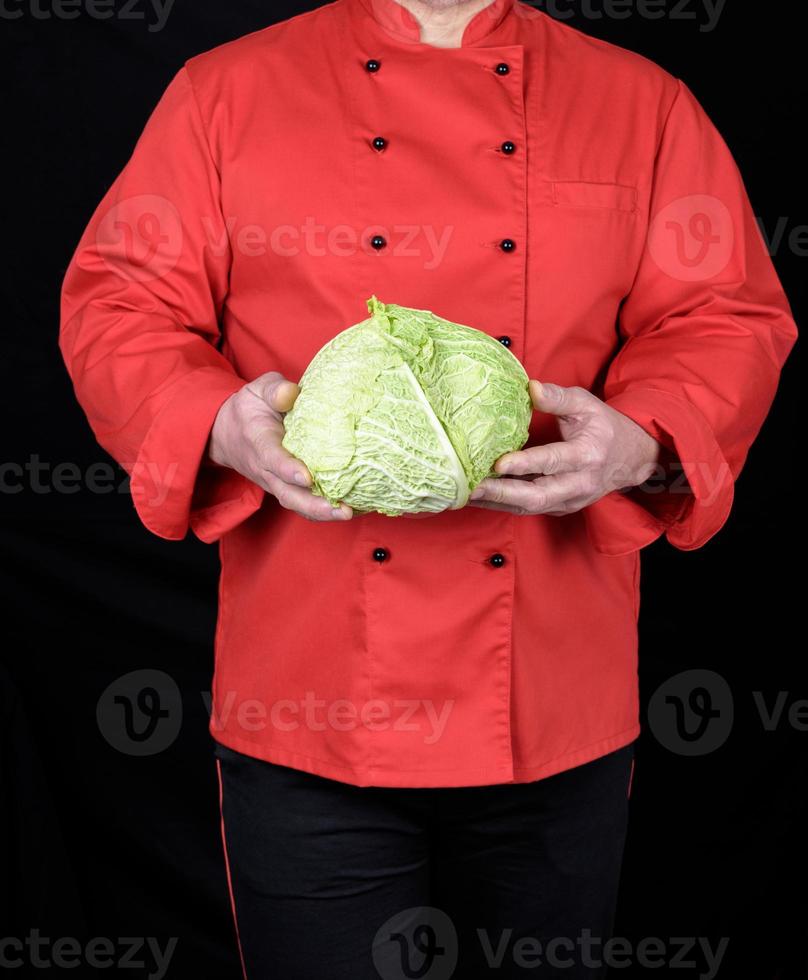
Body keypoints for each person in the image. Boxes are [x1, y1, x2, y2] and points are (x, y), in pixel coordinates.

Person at [59, 0, 797, 975]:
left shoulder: (640, 102)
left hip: (552, 691)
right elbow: (120, 300)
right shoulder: (225, 92)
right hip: (309, 689)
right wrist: (213, 419)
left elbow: (723, 314)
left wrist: (645, 439)